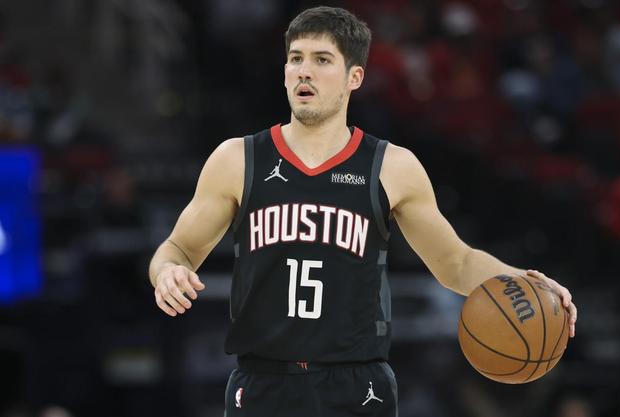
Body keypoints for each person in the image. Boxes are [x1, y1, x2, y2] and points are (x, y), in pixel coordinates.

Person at [148, 6, 578, 416]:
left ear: (354, 77)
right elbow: (178, 248)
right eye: (295, 58)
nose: (304, 71)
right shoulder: (238, 159)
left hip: (356, 386)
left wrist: (523, 281)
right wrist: (167, 271)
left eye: (321, 59)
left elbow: (456, 262)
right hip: (263, 380)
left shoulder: (392, 166)